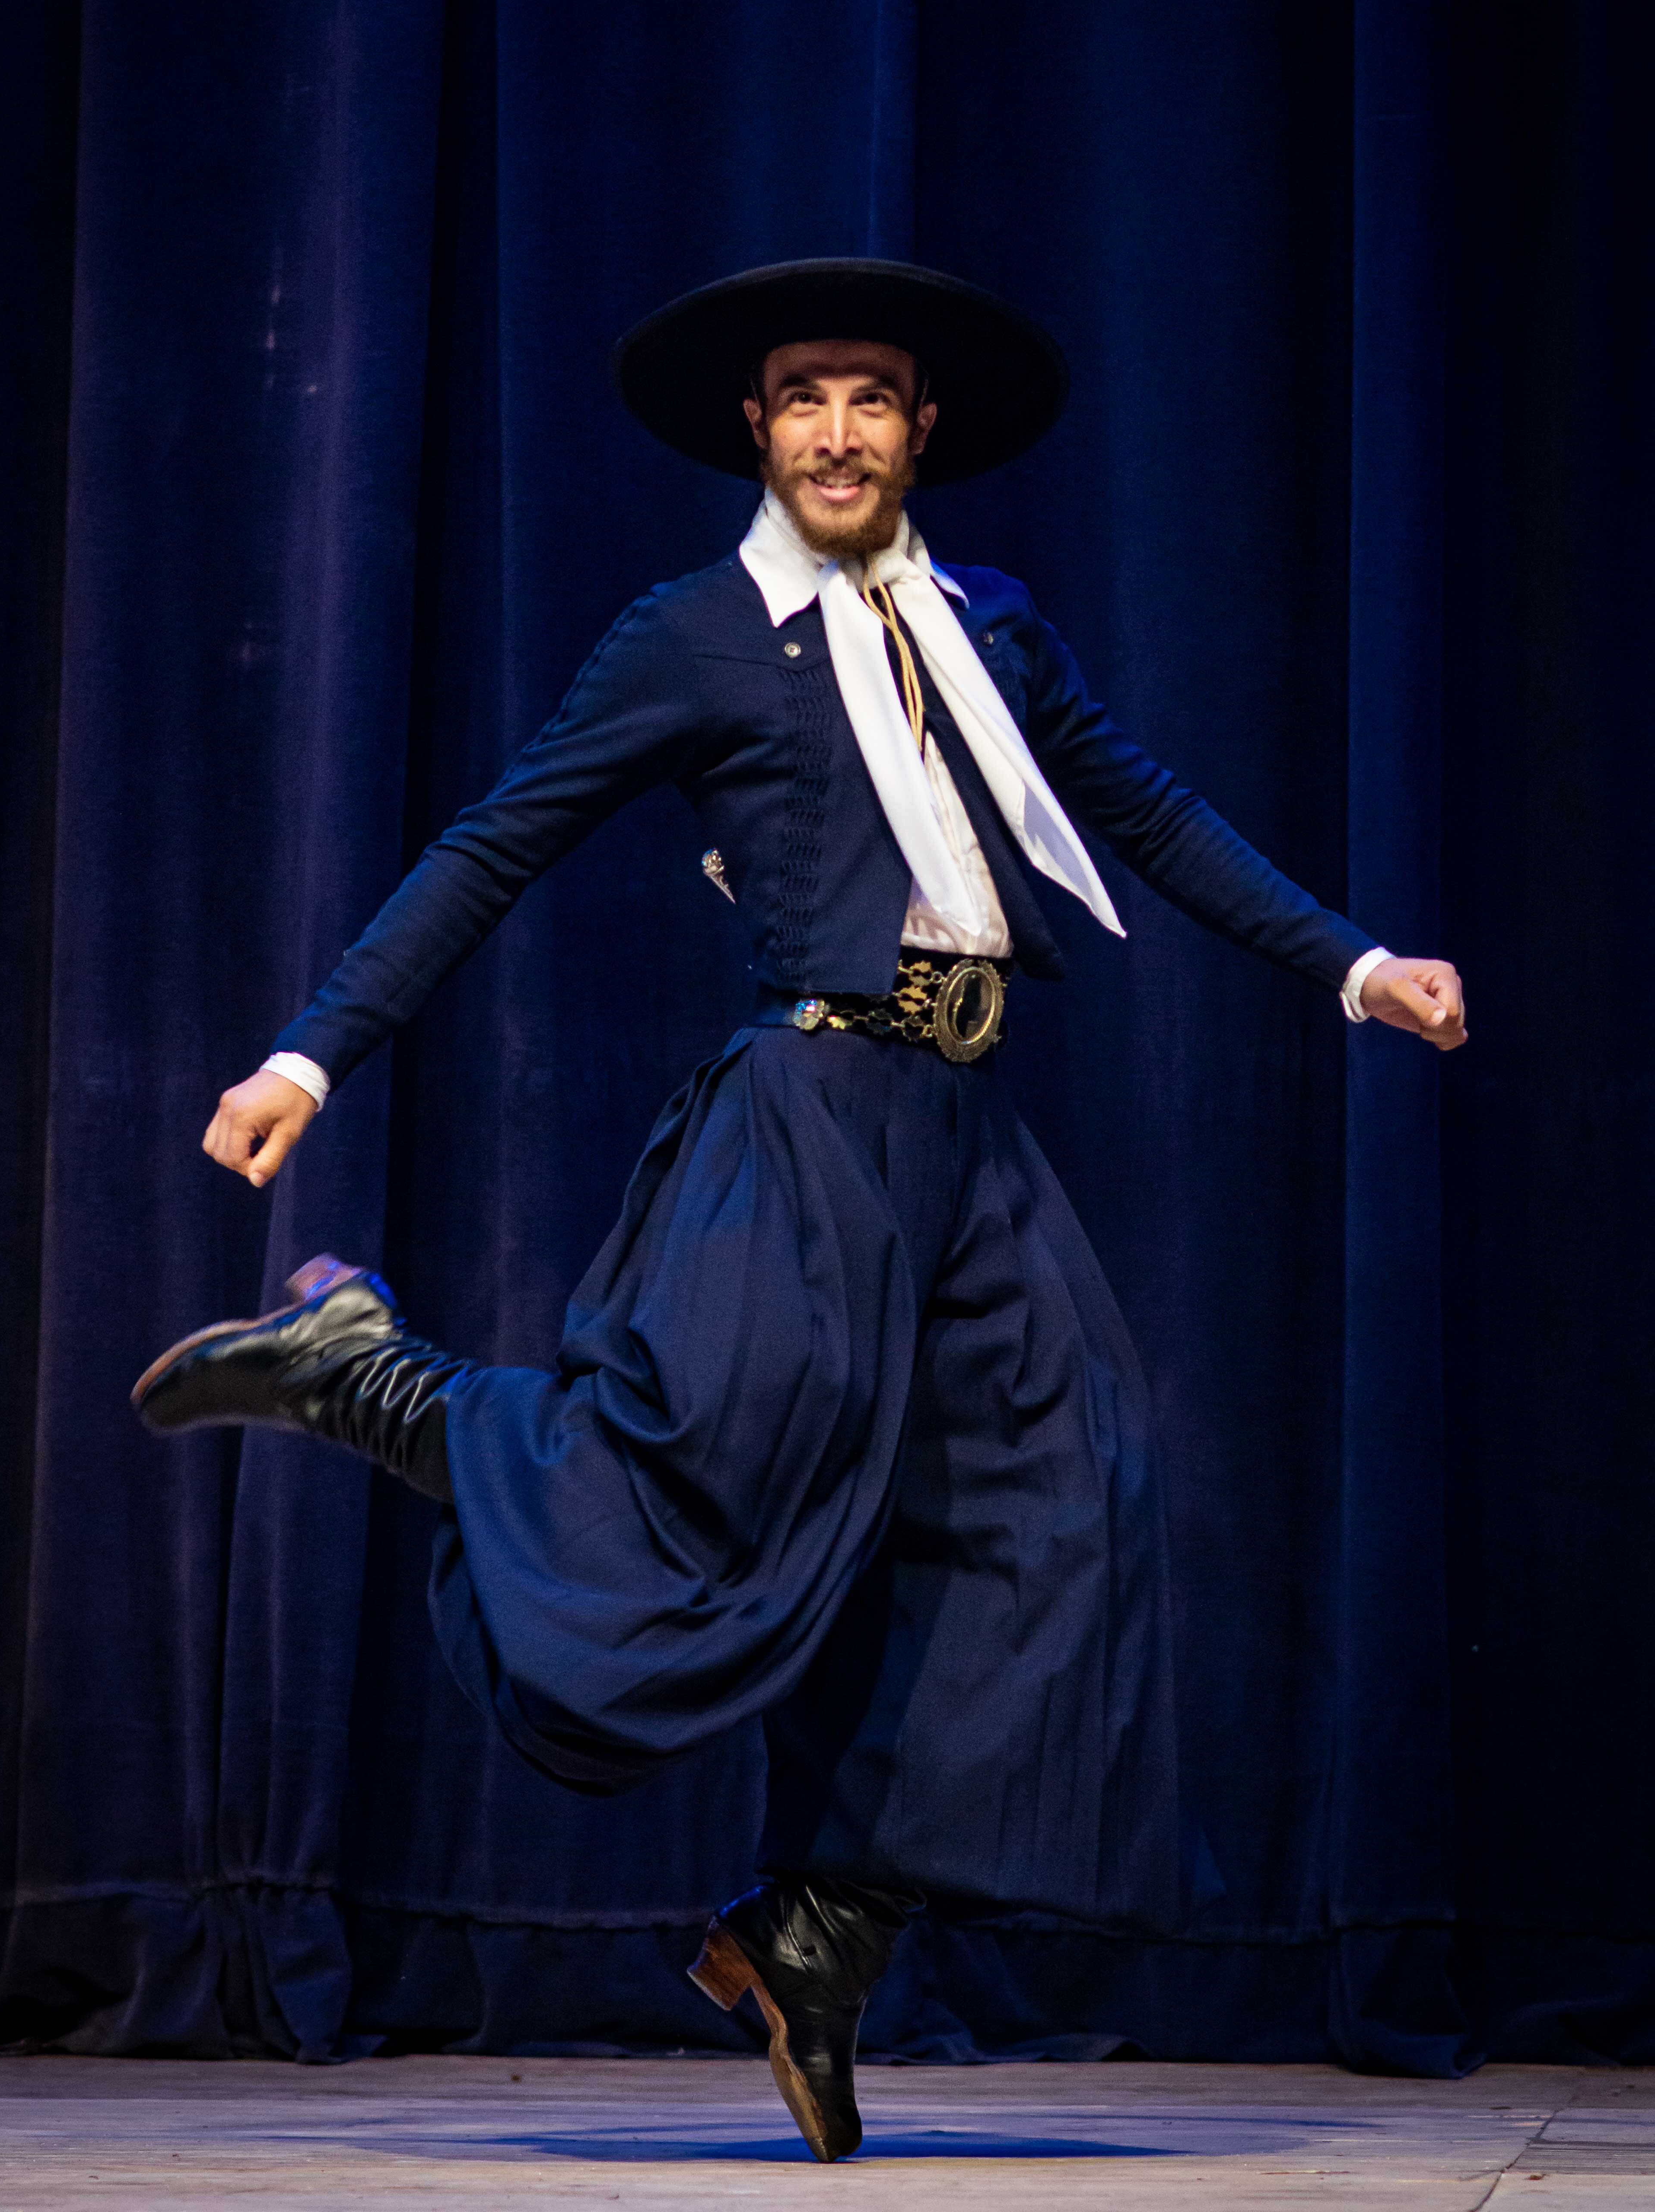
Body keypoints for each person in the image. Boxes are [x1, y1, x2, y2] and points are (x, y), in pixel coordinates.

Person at [133, 258, 1464, 2160]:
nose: (837, 433)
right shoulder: (696, 634)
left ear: (923, 429)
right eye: (800, 401)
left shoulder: (992, 624)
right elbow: (492, 841)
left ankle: (819, 1929)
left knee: (1063, 1517)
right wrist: (309, 1058)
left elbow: (1149, 816)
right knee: (704, 1512)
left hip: (964, 1139)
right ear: (757, 432)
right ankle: (377, 1380)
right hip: (806, 1117)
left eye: (871, 399)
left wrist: (1353, 963)